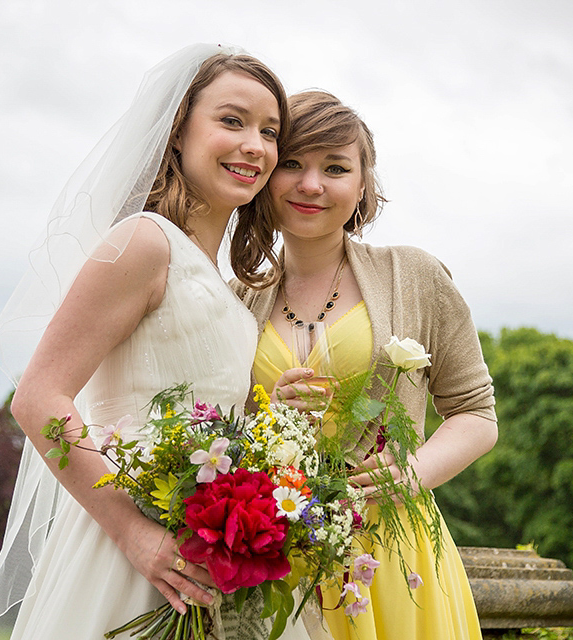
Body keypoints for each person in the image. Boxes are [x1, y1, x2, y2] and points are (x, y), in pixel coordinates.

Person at [0, 44, 293, 640]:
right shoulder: (144, 243)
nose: (256, 144)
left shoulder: (218, 280)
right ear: (177, 132)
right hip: (127, 551)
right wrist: (134, 534)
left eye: (269, 132)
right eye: (232, 121)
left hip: (210, 554)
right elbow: (40, 398)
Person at [232, 90, 498, 640]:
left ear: (362, 185)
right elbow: (217, 432)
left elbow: (476, 414)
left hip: (395, 554)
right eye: (292, 164)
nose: (312, 185)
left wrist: (412, 474)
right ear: (265, 178)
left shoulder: (417, 277)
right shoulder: (235, 300)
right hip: (279, 557)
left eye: (335, 168)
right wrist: (266, 416)